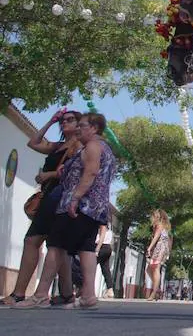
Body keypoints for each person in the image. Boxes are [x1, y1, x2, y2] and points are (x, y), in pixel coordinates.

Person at [14, 112, 116, 310]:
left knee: (56, 246)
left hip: (79, 204)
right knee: (86, 248)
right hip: (95, 208)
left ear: (94, 128)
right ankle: (88, 296)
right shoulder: (105, 149)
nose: (78, 128)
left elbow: (91, 171)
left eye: (82, 125)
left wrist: (75, 197)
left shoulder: (93, 146)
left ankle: (41, 295)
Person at [1, 109, 81, 307]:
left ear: (80, 124)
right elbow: (33, 143)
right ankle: (66, 294)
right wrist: (51, 121)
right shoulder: (58, 146)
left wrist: (49, 175)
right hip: (50, 197)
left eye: (70, 120)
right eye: (62, 120)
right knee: (56, 246)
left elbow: (78, 171)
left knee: (33, 240)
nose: (64, 123)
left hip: (59, 197)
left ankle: (19, 293)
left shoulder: (79, 146)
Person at [146, 209, 172, 301]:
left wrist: (149, 247)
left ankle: (154, 293)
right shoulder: (161, 226)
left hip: (159, 248)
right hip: (161, 248)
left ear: (157, 217)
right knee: (149, 269)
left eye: (152, 216)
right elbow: (168, 239)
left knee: (155, 268)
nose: (151, 218)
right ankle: (157, 289)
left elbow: (157, 237)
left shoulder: (159, 225)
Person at [96, 223, 115, 298]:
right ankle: (110, 290)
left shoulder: (102, 227)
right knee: (106, 269)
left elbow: (101, 237)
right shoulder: (110, 230)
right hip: (108, 248)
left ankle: (84, 288)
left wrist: (97, 248)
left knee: (90, 268)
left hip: (101, 246)